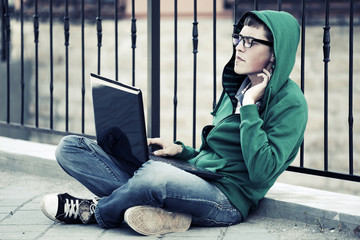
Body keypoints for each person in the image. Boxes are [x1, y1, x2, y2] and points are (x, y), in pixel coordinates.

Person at [41, 10, 307, 236]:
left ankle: (96, 211)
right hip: (196, 176)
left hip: (227, 199)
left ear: (274, 53)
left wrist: (249, 106)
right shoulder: (238, 87)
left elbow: (262, 170)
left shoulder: (290, 104)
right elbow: (214, 153)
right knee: (71, 148)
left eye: (250, 41)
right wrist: (181, 151)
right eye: (239, 38)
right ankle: (153, 209)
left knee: (155, 176)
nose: (239, 46)